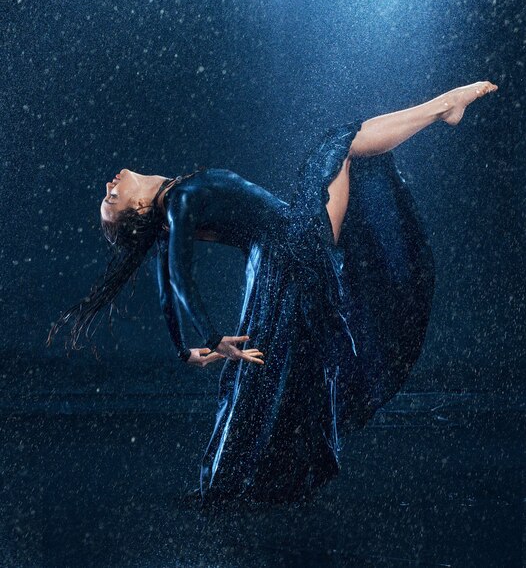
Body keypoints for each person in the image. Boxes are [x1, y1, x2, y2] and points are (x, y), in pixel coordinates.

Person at [47, 81, 498, 505]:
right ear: (139, 208)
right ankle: (444, 106)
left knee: (340, 152)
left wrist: (185, 351)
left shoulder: (175, 200)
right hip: (291, 244)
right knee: (335, 147)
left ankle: (444, 107)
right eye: (112, 199)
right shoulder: (178, 202)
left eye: (107, 194)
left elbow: (167, 287)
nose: (110, 185)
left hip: (282, 250)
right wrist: (210, 339)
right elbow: (179, 280)